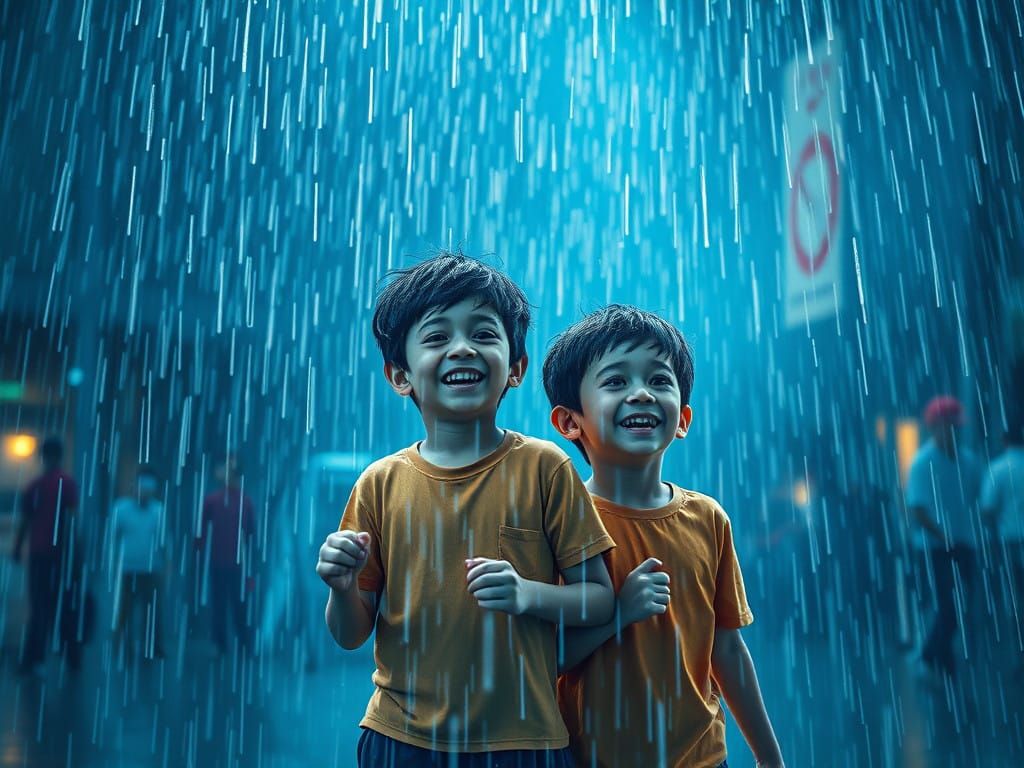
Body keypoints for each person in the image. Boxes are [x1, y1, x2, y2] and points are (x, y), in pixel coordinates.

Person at [316, 252, 616, 766]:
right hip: (399, 740)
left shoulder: (545, 469)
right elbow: (350, 634)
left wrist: (528, 594)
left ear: (516, 368)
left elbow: (599, 600)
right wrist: (342, 588)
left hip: (525, 742)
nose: (462, 348)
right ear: (399, 375)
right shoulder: (380, 484)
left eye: (483, 334)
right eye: (436, 337)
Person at [543, 305, 784, 768]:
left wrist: (770, 759)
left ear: (683, 419)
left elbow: (727, 649)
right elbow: (539, 661)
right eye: (615, 382)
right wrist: (618, 614)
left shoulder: (707, 519)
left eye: (658, 380)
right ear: (569, 422)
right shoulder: (559, 520)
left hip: (700, 758)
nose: (641, 394)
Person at [905, 395, 983, 680]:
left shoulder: (969, 461)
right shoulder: (922, 462)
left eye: (956, 426)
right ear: (935, 427)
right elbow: (917, 508)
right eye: (948, 425)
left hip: (962, 543)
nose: (954, 431)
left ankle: (940, 664)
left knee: (957, 607)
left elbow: (977, 498)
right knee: (948, 607)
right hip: (933, 548)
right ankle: (928, 658)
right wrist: (943, 535)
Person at [11, 437, 86, 675]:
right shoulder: (67, 484)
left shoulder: (35, 486)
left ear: (43, 457)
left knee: (40, 607)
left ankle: (34, 658)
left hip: (40, 554)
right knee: (63, 606)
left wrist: (17, 548)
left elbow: (25, 521)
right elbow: (73, 520)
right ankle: (70, 657)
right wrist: (77, 553)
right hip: (61, 555)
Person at [198, 455, 256, 655]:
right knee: (223, 606)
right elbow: (201, 535)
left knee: (233, 606)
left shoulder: (242, 502)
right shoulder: (216, 501)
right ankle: (229, 645)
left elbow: (250, 536)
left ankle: (239, 645)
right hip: (221, 563)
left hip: (232, 563)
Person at [981, 415, 1024, 678]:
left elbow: (987, 510)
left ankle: (1019, 654)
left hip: (1011, 540)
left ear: (1003, 439)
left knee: (1016, 600)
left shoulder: (997, 469)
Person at [111, 465, 166, 658]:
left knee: (151, 612)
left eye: (149, 487)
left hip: (150, 568)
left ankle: (152, 647)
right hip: (127, 568)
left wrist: (166, 565)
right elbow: (113, 538)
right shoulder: (122, 508)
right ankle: (122, 648)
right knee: (125, 611)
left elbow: (164, 541)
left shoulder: (158, 511)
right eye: (143, 487)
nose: (145, 492)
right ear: (135, 487)